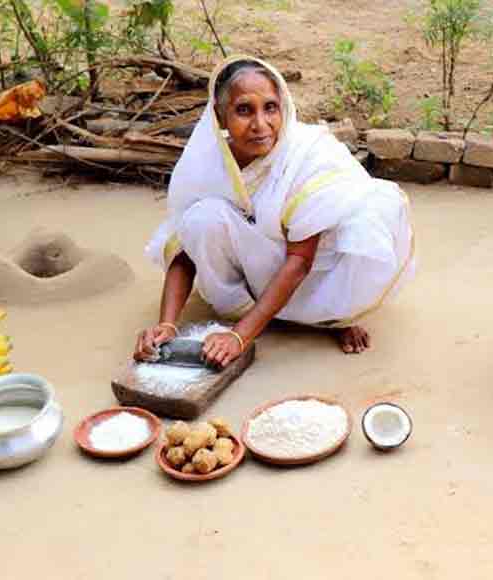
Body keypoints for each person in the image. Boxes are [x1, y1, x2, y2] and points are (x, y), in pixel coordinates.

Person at [134, 56, 415, 367]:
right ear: (220, 115)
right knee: (201, 219)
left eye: (270, 107)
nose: (260, 124)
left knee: (356, 221)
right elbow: (185, 250)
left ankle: (332, 316)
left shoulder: (309, 155)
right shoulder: (206, 163)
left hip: (312, 264)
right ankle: (246, 310)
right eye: (244, 110)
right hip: (264, 259)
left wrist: (239, 337)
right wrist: (167, 324)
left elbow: (300, 262)